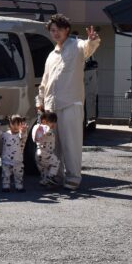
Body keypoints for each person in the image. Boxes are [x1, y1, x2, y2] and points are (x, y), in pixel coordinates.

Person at [37, 14, 101, 191]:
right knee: (53, 143)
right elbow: (45, 80)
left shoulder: (77, 45)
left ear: (67, 30)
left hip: (71, 103)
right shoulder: (51, 55)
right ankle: (56, 176)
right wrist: (39, 101)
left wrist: (92, 40)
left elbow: (88, 48)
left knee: (71, 142)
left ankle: (73, 177)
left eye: (58, 29)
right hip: (51, 106)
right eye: (52, 30)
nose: (54, 33)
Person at [1, 115, 28, 193]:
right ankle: (5, 185)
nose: (16, 126)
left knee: (18, 174)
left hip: (18, 160)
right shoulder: (6, 134)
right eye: (14, 124)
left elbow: (23, 135)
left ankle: (19, 185)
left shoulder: (20, 135)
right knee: (5, 173)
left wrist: (23, 130)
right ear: (10, 124)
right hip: (6, 159)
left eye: (19, 124)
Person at [32, 111, 60, 187]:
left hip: (38, 153)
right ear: (44, 121)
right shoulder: (45, 129)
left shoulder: (38, 128)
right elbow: (44, 132)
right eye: (52, 122)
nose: (54, 124)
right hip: (45, 153)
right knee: (56, 162)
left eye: (55, 122)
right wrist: (47, 130)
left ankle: (45, 181)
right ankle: (50, 177)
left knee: (44, 169)